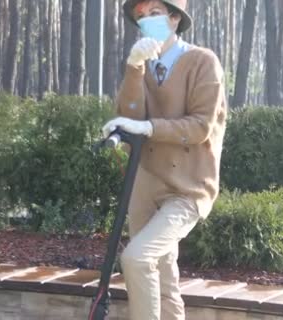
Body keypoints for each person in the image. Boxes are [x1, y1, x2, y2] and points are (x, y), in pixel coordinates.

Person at [101, 0, 227, 319]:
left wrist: (148, 127)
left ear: (174, 18)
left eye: (154, 13)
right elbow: (129, 114)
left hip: (188, 186)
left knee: (137, 258)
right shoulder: (143, 64)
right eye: (140, 16)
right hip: (145, 180)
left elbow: (200, 127)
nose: (146, 21)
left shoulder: (202, 61)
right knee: (163, 275)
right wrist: (133, 66)